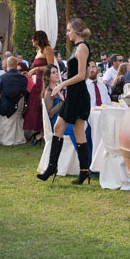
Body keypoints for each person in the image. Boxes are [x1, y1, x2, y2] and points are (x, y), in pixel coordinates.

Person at [37, 18, 93, 185]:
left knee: (60, 128)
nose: (67, 34)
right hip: (76, 95)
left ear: (76, 30)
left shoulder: (82, 48)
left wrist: (62, 84)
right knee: (77, 132)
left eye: (69, 30)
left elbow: (82, 75)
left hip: (78, 96)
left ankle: (52, 167)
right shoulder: (78, 47)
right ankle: (83, 172)